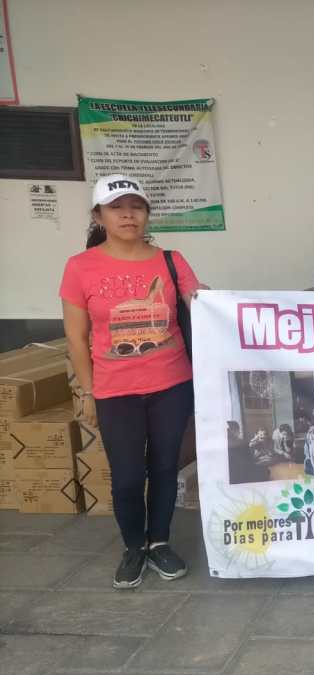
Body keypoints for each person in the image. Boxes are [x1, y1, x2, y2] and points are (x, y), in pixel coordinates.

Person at [60, 174, 202, 589]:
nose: (128, 215)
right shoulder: (80, 267)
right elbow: (76, 337)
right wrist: (88, 391)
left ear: (147, 214)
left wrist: (210, 300)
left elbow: (199, 303)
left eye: (136, 207)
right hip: (114, 390)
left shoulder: (171, 261)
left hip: (171, 384)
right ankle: (133, 547)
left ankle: (159, 542)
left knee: (164, 467)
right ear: (99, 216)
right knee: (126, 476)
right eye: (117, 208)